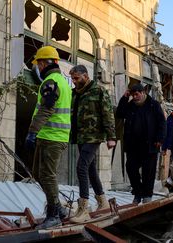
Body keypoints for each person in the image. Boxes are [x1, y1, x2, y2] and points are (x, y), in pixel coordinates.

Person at [25, 46, 71, 229]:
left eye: (38, 63)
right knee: (39, 174)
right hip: (50, 136)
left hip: (52, 137)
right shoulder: (62, 81)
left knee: (47, 175)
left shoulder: (51, 82)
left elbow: (46, 109)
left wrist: (32, 132)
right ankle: (58, 209)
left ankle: (53, 215)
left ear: (43, 63)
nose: (37, 67)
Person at [68, 65, 116, 223]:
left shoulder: (99, 90)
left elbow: (107, 114)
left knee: (81, 166)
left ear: (85, 76)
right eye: (72, 79)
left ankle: (83, 208)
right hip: (81, 136)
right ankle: (102, 203)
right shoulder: (75, 93)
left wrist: (111, 137)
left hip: (94, 136)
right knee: (90, 169)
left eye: (76, 78)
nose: (74, 81)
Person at [116, 83, 165, 204]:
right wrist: (125, 97)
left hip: (150, 144)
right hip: (133, 145)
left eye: (136, 94)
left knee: (148, 171)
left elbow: (162, 123)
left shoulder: (154, 105)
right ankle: (137, 192)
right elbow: (120, 113)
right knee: (131, 168)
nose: (135, 97)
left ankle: (147, 194)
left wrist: (160, 139)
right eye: (133, 95)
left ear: (143, 93)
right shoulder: (131, 105)